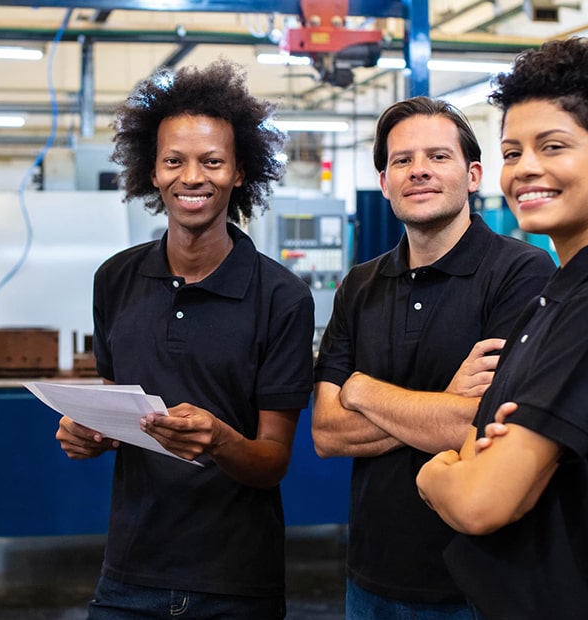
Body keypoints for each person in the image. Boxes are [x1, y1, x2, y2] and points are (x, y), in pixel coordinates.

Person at [416, 37, 588, 619]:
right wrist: (475, 460)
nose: (527, 170)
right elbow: (477, 440)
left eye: (553, 146)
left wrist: (434, 473)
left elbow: (481, 501)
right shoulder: (557, 292)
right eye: (512, 153)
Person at [55, 60, 315, 619]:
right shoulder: (116, 279)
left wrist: (220, 438)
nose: (191, 177)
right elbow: (117, 408)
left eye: (212, 161)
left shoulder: (282, 296)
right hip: (128, 573)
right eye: (174, 160)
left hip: (235, 583)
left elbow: (272, 461)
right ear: (152, 171)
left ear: (240, 172)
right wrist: (90, 432)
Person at [312, 96, 555, 618]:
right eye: (401, 160)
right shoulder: (359, 285)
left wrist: (362, 390)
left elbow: (484, 426)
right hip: (370, 579)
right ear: (384, 183)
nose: (418, 170)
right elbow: (327, 433)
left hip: (476, 585)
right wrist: (445, 402)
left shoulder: (522, 274)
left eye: (437, 157)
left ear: (472, 175)